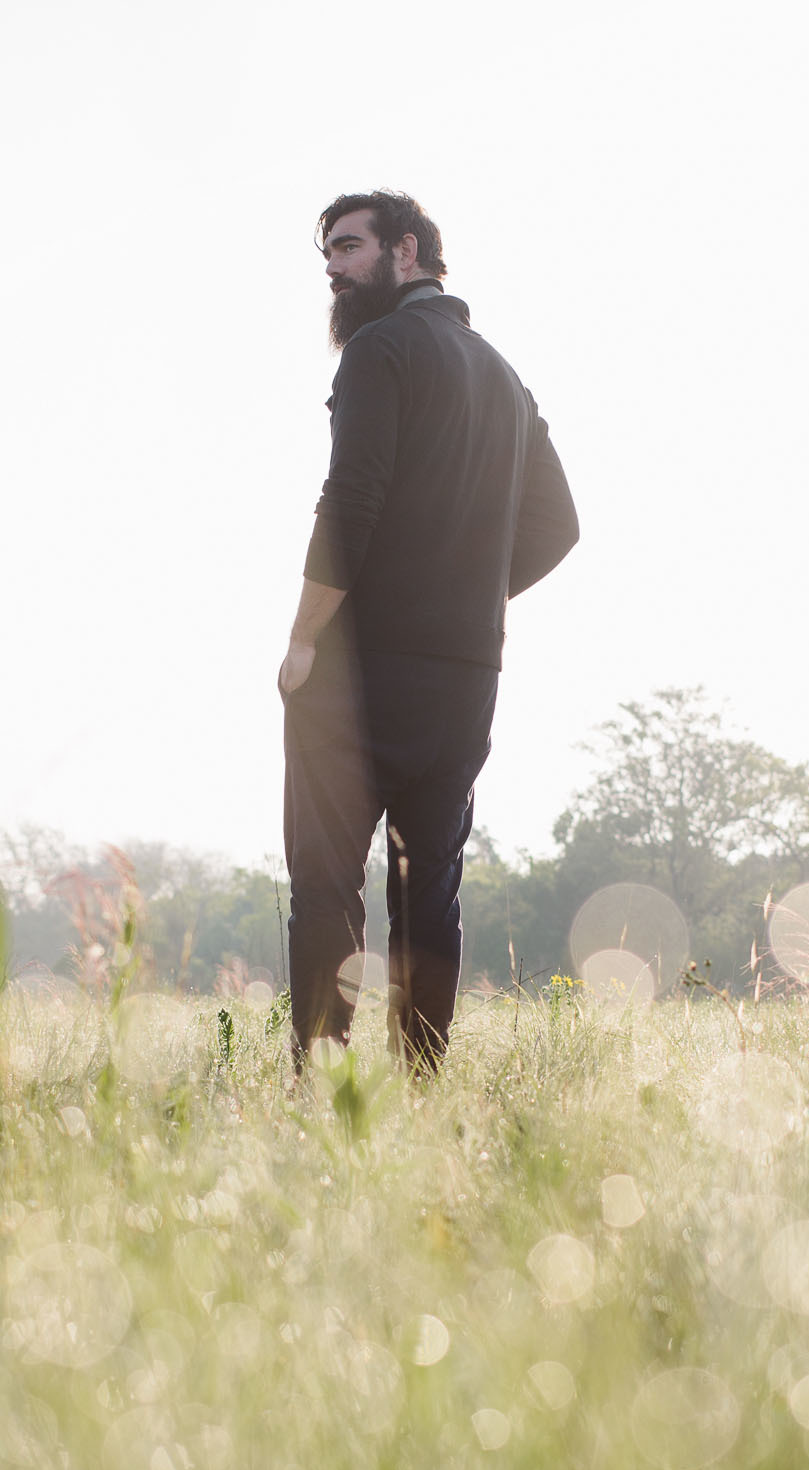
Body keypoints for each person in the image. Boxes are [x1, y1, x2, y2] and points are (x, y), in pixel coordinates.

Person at [277, 189, 579, 1073]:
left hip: (356, 670)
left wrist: (303, 640)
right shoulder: (503, 374)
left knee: (328, 885)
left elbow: (351, 499)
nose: (332, 269)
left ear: (407, 250)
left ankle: (324, 1091)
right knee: (430, 889)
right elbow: (558, 525)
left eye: (348, 247)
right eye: (327, 254)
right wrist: (463, 599)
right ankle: (420, 1093)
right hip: (463, 674)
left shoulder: (379, 349)